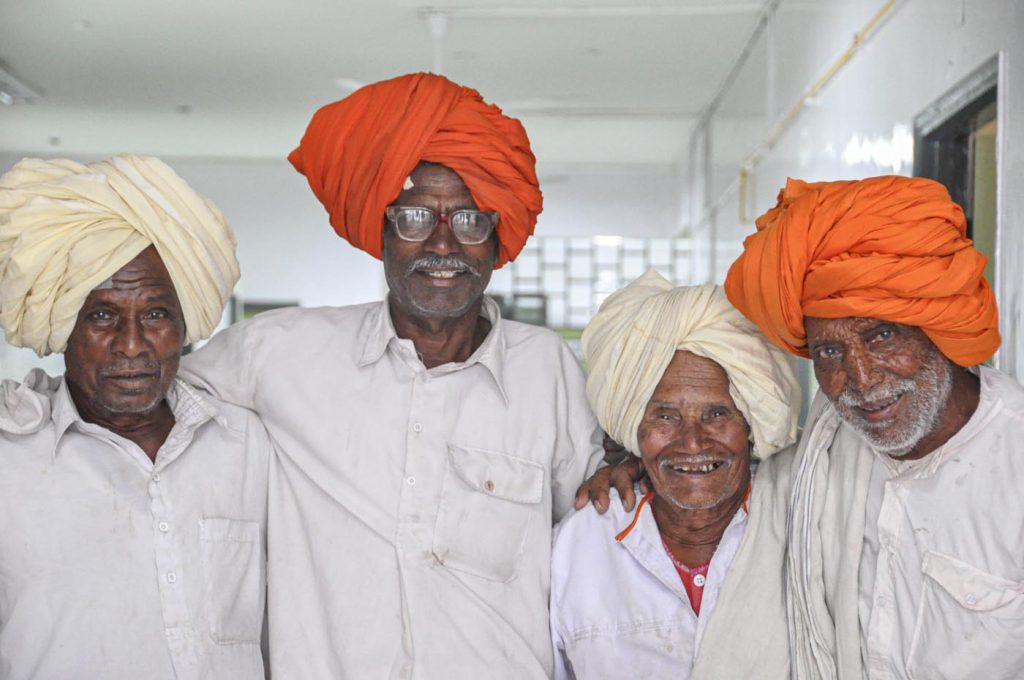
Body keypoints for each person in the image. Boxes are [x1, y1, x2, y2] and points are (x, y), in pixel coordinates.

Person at [179, 72, 604, 679]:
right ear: (379, 231)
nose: (443, 243)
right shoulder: (278, 353)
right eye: (414, 217)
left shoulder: (546, 370)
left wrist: (624, 464)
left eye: (469, 220)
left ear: (495, 238)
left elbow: (597, 521)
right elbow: (146, 406)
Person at [724, 175, 1023, 679]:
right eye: (829, 351)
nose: (860, 380)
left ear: (936, 327)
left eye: (882, 336)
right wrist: (633, 467)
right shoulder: (819, 456)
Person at [0, 155, 271, 679]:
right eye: (101, 315)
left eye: (155, 314)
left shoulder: (247, 447)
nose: (131, 345)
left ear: (184, 325)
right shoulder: (11, 462)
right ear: (62, 326)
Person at [549, 271, 800, 680]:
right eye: (666, 417)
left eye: (717, 414)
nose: (693, 442)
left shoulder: (798, 527)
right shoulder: (580, 546)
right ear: (634, 429)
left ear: (750, 427)